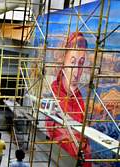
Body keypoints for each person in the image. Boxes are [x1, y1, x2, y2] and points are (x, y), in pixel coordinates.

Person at [46, 32, 91, 167]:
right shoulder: (55, 93)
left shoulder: (79, 99)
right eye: (72, 62)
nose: (77, 71)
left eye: (81, 63)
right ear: (63, 61)